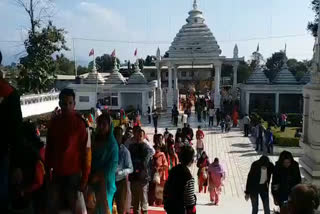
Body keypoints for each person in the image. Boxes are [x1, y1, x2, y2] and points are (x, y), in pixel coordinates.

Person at [45, 88, 91, 214]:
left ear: (74, 104)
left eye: (70, 103)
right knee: (53, 208)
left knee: (74, 209)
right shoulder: (54, 123)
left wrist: (85, 179)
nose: (67, 106)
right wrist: (47, 170)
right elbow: (49, 148)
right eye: (64, 103)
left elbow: (86, 153)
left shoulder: (81, 124)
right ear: (60, 104)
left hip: (74, 175)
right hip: (56, 173)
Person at [89, 113, 119, 214]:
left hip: (106, 184)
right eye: (99, 124)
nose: (101, 127)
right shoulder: (95, 140)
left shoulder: (112, 145)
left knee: (104, 209)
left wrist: (99, 176)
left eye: (104, 124)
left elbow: (111, 167)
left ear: (109, 126)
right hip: (93, 181)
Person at [164, 146, 197, 214]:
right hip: (181, 209)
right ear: (191, 160)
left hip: (171, 207)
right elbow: (190, 199)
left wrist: (166, 203)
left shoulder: (173, 170)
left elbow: (166, 187)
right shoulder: (188, 176)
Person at [129, 129, 154, 214]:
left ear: (143, 137)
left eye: (140, 136)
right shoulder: (131, 147)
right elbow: (130, 160)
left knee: (143, 199)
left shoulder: (146, 148)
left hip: (143, 177)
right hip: (134, 177)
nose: (138, 137)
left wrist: (139, 169)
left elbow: (145, 162)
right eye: (137, 135)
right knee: (135, 200)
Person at [114, 127, 133, 214]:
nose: (117, 137)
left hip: (120, 181)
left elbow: (130, 168)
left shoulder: (125, 151)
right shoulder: (109, 149)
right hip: (109, 180)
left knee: (120, 206)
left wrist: (120, 172)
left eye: (118, 135)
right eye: (115, 135)